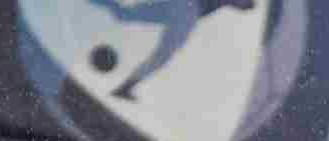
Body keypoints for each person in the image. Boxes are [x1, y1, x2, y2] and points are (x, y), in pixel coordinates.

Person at [88, 0, 256, 101]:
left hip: (179, 5)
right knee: (164, 54)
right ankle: (127, 87)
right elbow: (247, 4)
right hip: (188, 10)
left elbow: (247, 5)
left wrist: (247, 5)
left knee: (126, 15)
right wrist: (247, 4)